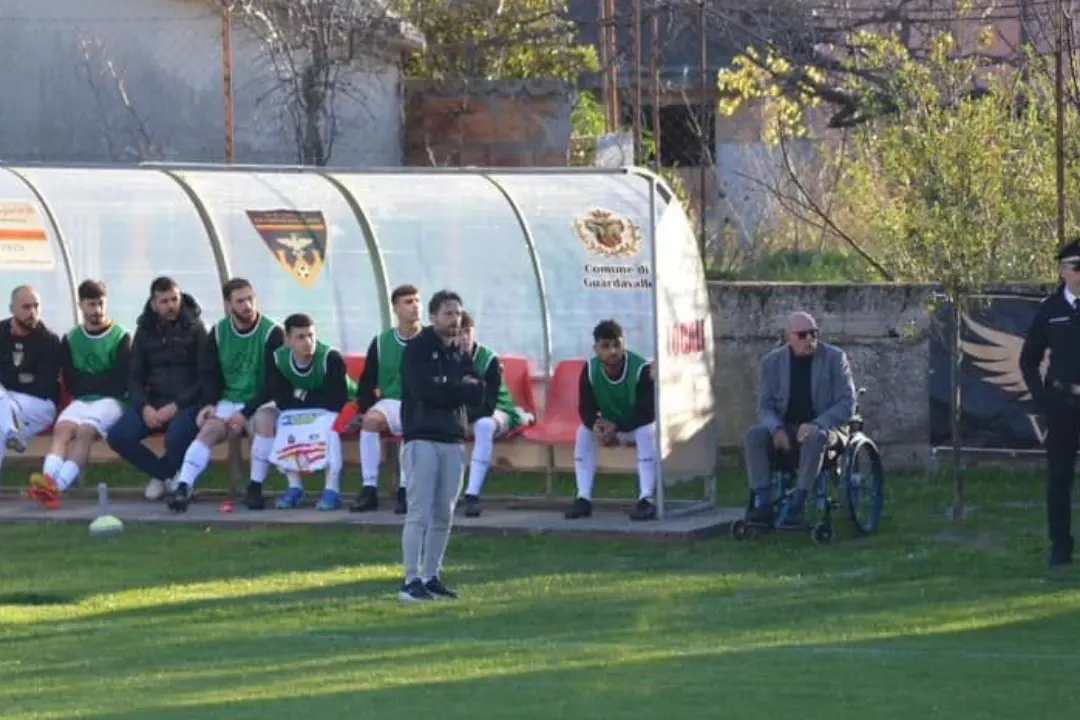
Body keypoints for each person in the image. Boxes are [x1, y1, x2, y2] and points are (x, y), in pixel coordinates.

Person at [168, 279, 284, 513]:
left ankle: (255, 487)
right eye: (240, 301)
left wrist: (245, 412)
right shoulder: (219, 333)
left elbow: (275, 383)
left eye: (250, 299)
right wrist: (209, 404)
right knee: (208, 429)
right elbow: (209, 374)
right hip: (229, 400)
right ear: (228, 305)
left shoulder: (273, 333)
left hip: (261, 402)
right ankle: (183, 487)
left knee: (263, 423)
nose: (247, 306)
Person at [398, 290, 483, 602]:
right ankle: (410, 579)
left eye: (458, 314)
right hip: (422, 436)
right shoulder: (418, 349)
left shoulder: (461, 353)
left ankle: (432, 575)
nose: (454, 320)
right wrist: (455, 387)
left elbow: (478, 393)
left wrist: (453, 385)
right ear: (433, 316)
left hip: (452, 438)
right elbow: (424, 390)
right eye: (448, 313)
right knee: (419, 511)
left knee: (444, 513)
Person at [743, 311, 856, 528]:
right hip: (787, 427)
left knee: (815, 438)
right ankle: (763, 502)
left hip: (826, 428)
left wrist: (816, 424)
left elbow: (847, 403)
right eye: (803, 335)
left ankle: (798, 503)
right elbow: (765, 406)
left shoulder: (834, 358)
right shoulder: (772, 363)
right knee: (754, 436)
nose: (810, 340)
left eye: (814, 334)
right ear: (790, 338)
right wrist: (776, 429)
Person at [28, 280, 130, 508]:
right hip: (83, 400)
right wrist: (96, 381)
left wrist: (92, 382)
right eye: (91, 305)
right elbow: (73, 382)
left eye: (101, 304)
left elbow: (119, 381)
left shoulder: (121, 337)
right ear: (81, 306)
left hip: (113, 401)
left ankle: (56, 488)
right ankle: (48, 482)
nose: (97, 311)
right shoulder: (71, 339)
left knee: (85, 431)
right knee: (62, 430)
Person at [107, 276, 206, 500]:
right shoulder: (144, 331)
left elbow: (206, 377)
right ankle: (166, 475)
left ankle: (166, 477)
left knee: (175, 437)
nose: (171, 306)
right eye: (164, 301)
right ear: (154, 304)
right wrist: (144, 407)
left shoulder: (197, 328)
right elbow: (134, 376)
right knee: (118, 436)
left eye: (175, 299)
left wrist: (177, 405)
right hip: (155, 401)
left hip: (188, 403)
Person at [1020, 239, 1080, 574]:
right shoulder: (1051, 309)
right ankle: (1060, 547)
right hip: (1063, 402)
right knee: (1059, 479)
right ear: (1063, 272)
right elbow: (1028, 359)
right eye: (1077, 268)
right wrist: (1042, 399)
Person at [565, 319, 657, 522]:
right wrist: (595, 425)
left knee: (646, 432)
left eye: (617, 344)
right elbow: (586, 407)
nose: (613, 351)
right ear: (596, 349)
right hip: (610, 426)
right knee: (583, 432)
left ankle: (647, 498)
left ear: (624, 343)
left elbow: (648, 413)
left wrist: (618, 427)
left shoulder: (640, 369)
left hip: (633, 425)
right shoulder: (589, 370)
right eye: (606, 346)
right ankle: (583, 498)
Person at [349, 283, 423, 514]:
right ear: (396, 309)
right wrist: (363, 409)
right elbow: (367, 381)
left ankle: (405, 490)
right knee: (371, 421)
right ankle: (369, 488)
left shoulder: (431, 339)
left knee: (413, 423)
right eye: (408, 302)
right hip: (391, 401)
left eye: (417, 301)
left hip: (422, 402)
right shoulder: (382, 342)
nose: (415, 307)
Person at [268, 313, 350, 511]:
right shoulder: (278, 358)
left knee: (330, 426)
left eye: (311, 335)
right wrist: (310, 398)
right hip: (303, 409)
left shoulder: (330, 357)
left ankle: (332, 489)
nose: (308, 342)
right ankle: (294, 486)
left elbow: (336, 400)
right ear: (288, 340)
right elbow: (280, 397)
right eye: (301, 337)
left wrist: (301, 395)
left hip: (342, 407)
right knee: (283, 422)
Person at [457, 310, 534, 518]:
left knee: (484, 425)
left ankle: (472, 495)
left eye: (467, 331)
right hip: (464, 415)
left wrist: (464, 419)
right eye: (458, 332)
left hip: (497, 411)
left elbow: (489, 405)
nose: (463, 337)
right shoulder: (446, 357)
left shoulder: (489, 358)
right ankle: (445, 494)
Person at [0, 285, 61, 479]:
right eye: (26, 307)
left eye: (36, 306)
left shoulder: (49, 340)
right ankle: (11, 432)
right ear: (11, 309)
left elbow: (43, 386)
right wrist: (21, 379)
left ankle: (10, 429)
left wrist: (8, 382)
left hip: (40, 406)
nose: (32, 313)